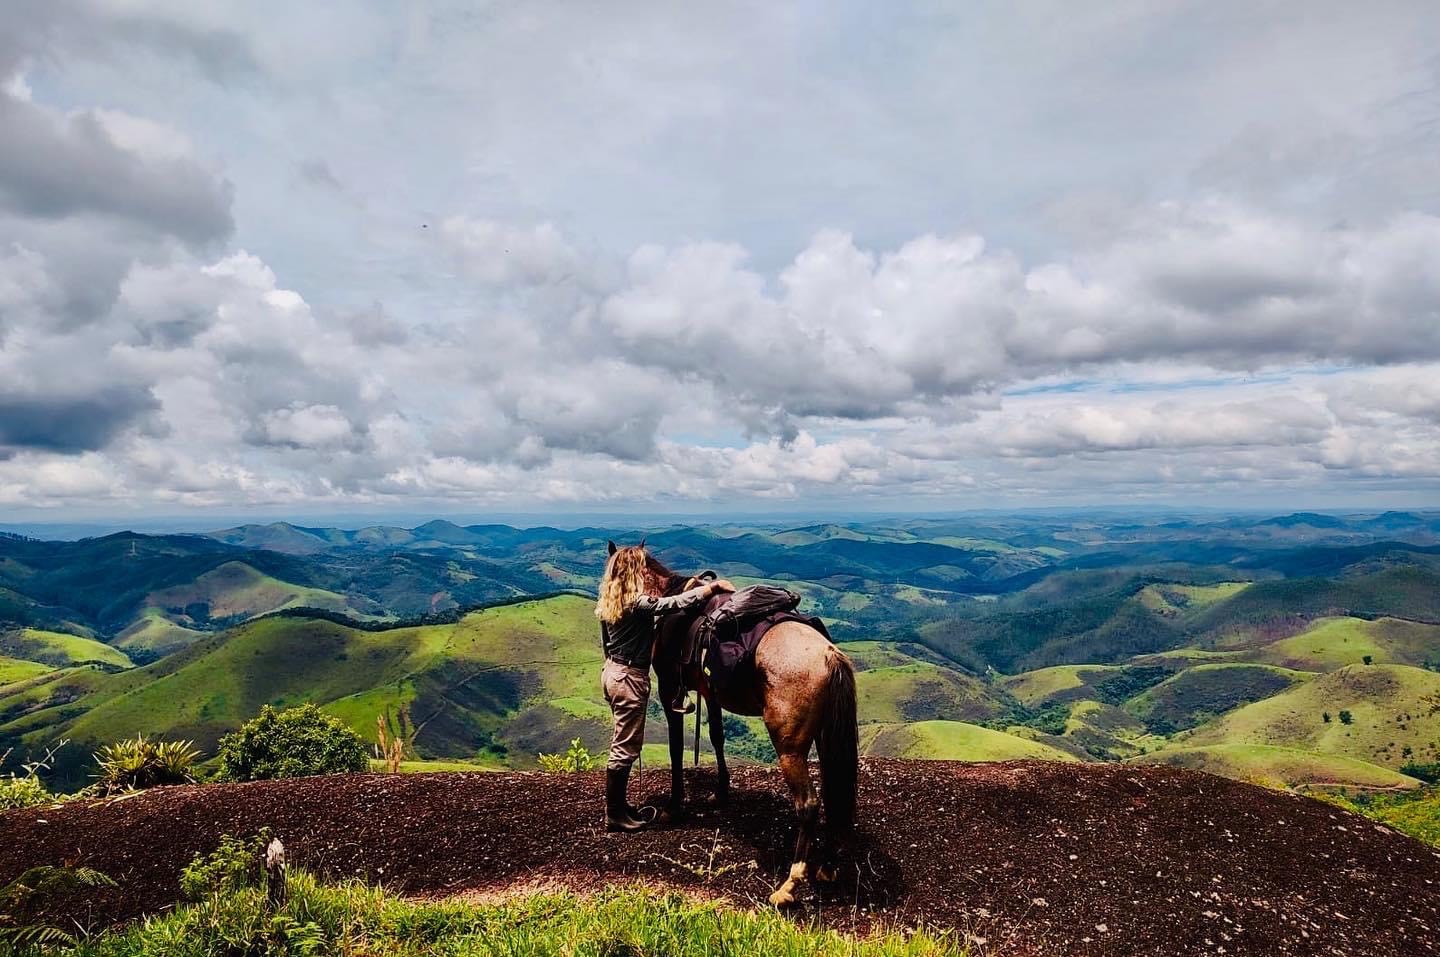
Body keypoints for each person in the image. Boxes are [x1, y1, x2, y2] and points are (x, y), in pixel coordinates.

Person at [594, 542, 733, 832]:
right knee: (624, 748)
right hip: (629, 677)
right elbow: (670, 604)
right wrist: (709, 588)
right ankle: (615, 815)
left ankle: (619, 808)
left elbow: (607, 645)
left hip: (612, 672)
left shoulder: (608, 604)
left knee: (623, 743)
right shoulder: (636, 604)